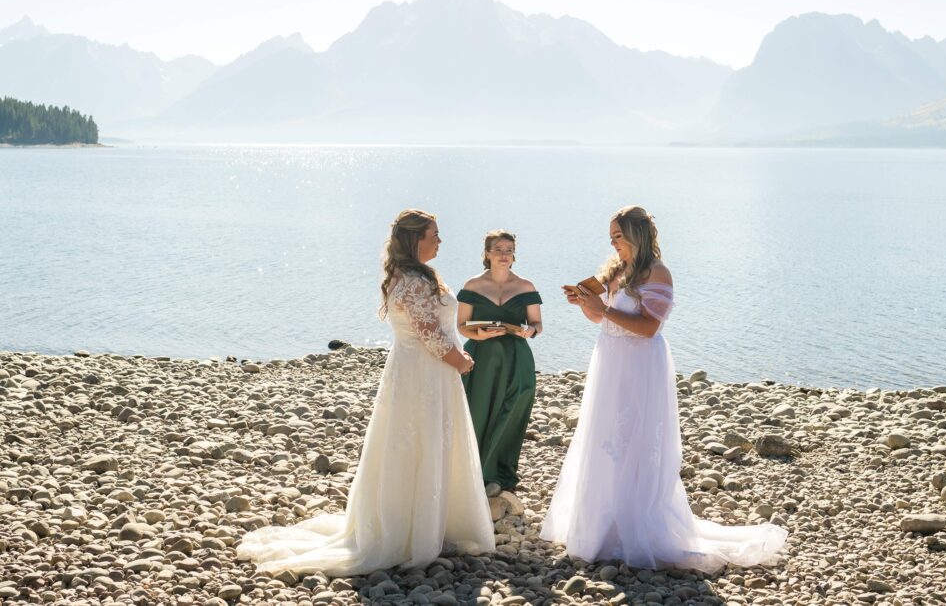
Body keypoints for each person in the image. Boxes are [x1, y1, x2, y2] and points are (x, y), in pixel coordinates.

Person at [236, 209, 495, 576]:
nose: (440, 240)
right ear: (415, 239)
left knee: (423, 442)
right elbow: (429, 334)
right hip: (425, 374)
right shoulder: (415, 281)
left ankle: (431, 522)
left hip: (417, 372)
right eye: (434, 234)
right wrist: (461, 360)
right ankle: (410, 531)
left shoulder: (411, 275)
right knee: (420, 441)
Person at [540, 206, 787, 572]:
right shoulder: (616, 271)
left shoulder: (657, 273)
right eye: (611, 236)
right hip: (609, 361)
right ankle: (601, 525)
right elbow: (600, 316)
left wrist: (603, 310)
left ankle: (636, 523)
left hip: (639, 366)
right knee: (603, 437)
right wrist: (586, 304)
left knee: (635, 439)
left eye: (618, 236)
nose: (613, 242)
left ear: (637, 234)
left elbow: (648, 328)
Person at [457, 230, 543, 495]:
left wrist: (531, 331)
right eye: (498, 249)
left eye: (509, 249)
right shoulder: (472, 285)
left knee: (512, 409)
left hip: (516, 358)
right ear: (487, 253)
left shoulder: (526, 286)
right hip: (480, 357)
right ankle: (471, 471)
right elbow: (461, 326)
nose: (504, 254)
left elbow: (537, 324)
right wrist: (478, 334)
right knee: (477, 410)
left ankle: (499, 473)